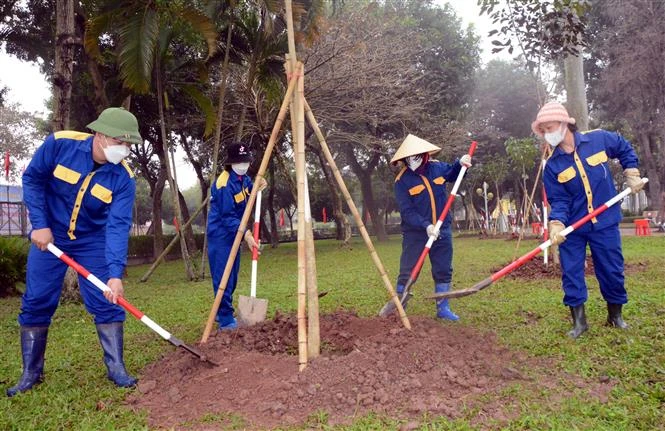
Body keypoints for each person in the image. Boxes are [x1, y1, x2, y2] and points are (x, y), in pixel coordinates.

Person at [7, 107, 143, 397]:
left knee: (107, 299)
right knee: (37, 299)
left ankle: (116, 368)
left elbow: (118, 226)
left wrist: (115, 274)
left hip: (91, 240)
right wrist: (39, 225)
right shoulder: (60, 144)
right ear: (102, 135)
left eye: (130, 145)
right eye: (122, 143)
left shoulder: (123, 178)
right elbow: (32, 179)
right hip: (50, 235)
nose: (126, 150)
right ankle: (31, 372)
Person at [533, 101, 645, 339]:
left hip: (604, 221)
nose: (546, 134)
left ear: (564, 124)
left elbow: (624, 148)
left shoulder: (598, 139)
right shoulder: (553, 166)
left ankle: (615, 317)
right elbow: (559, 200)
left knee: (611, 269)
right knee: (571, 272)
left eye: (549, 127)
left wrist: (631, 172)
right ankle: (579, 323)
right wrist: (557, 223)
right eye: (543, 130)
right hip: (574, 227)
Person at [387, 134, 471, 320]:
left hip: (443, 230)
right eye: (408, 158)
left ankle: (443, 308)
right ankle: (399, 306)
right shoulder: (402, 181)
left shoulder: (438, 168)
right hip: (416, 234)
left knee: (443, 268)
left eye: (416, 156)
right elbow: (407, 212)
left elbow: (454, 174)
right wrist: (426, 226)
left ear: (425, 155)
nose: (412, 161)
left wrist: (461, 164)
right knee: (409, 268)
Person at [207, 142, 265, 330]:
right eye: (240, 162)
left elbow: (249, 197)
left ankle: (221, 310)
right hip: (221, 235)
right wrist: (247, 235)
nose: (244, 165)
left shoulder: (244, 179)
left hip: (237, 233)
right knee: (223, 276)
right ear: (231, 163)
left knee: (232, 277)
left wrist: (258, 186)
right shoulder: (223, 184)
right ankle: (224, 318)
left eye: (246, 162)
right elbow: (228, 217)